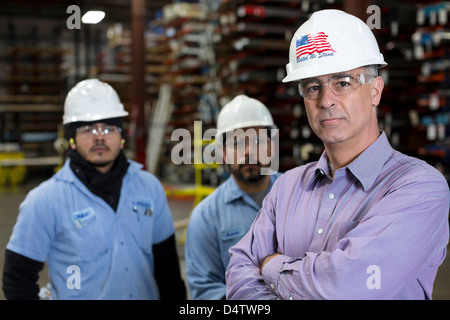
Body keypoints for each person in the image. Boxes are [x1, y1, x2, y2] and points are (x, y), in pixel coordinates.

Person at [226, 9, 449, 300]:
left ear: (375, 91)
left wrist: (271, 266)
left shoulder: (419, 188)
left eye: (342, 82)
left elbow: (347, 286)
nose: (326, 100)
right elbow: (238, 272)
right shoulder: (286, 188)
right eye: (312, 87)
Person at [2, 79, 186, 300]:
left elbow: (168, 271)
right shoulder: (45, 200)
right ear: (71, 139)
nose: (99, 137)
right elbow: (17, 279)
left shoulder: (149, 187)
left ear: (121, 137)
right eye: (88, 129)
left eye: (109, 128)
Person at [185, 94, 281, 299]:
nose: (249, 151)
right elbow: (205, 292)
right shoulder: (206, 217)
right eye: (236, 143)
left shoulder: (298, 194)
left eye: (257, 140)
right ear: (222, 153)